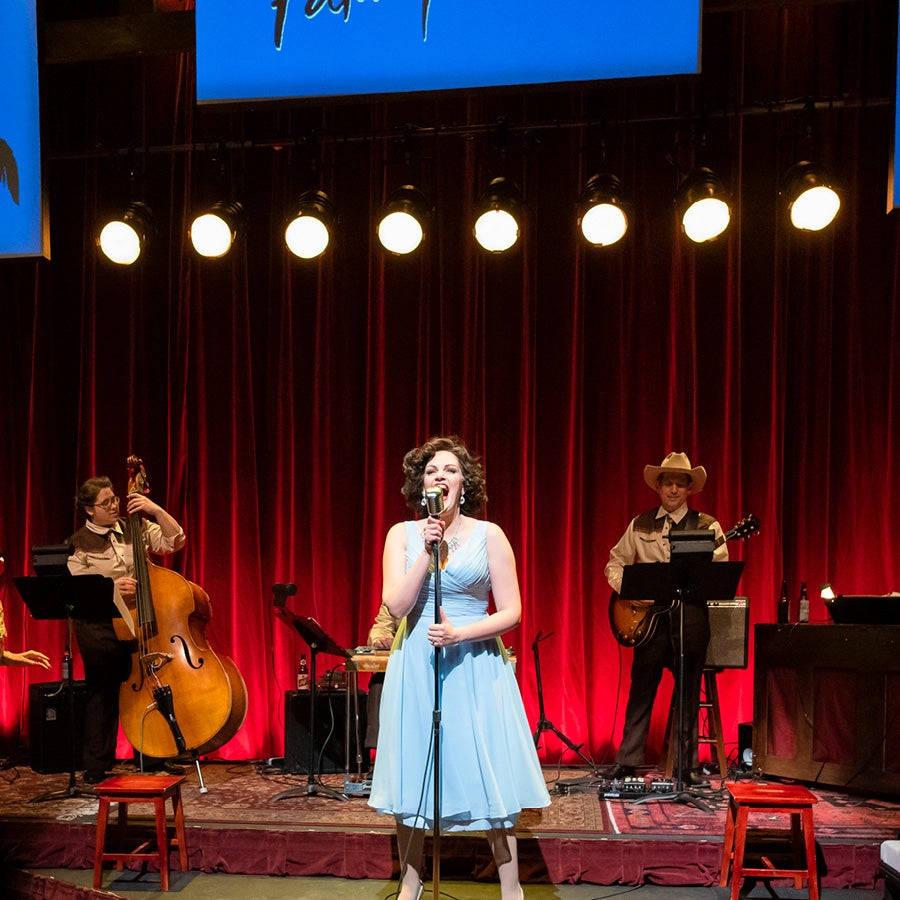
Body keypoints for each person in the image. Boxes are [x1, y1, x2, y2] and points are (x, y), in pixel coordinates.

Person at [368, 436, 549, 900]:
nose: (440, 477)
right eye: (431, 471)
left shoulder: (490, 534)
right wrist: (426, 555)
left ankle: (512, 889)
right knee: (414, 769)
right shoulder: (402, 535)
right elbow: (396, 603)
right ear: (421, 485)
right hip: (415, 664)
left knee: (487, 768)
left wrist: (460, 635)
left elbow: (512, 611)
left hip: (474, 662)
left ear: (463, 484)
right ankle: (410, 882)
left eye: (449, 470)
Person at [604, 451, 728, 785]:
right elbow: (614, 562)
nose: (673, 489)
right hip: (651, 622)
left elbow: (720, 570)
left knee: (688, 690)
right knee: (642, 687)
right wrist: (629, 590)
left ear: (690, 489)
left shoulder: (708, 526)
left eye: (680, 484)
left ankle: (685, 766)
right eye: (668, 483)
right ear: (658, 487)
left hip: (691, 617)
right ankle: (628, 760)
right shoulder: (640, 523)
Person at [67, 476, 186, 784]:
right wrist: (112, 589)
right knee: (102, 693)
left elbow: (175, 541)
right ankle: (97, 764)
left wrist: (155, 510)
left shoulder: (134, 527)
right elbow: (77, 591)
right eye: (106, 503)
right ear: (89, 510)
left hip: (139, 623)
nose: (114, 505)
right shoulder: (78, 543)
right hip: (99, 627)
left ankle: (153, 754)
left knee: (148, 686)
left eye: (114, 499)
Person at [363, 601, 399, 752]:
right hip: (399, 665)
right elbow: (380, 627)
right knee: (379, 682)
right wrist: (381, 640)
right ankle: (381, 753)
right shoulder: (398, 596)